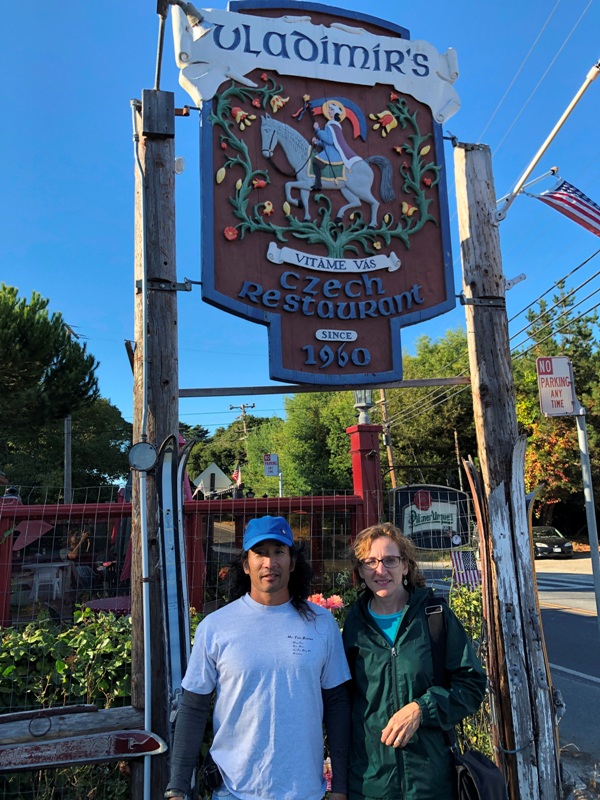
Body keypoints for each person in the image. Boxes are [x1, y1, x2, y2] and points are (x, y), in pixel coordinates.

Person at [165, 515, 351, 800]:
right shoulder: (215, 627)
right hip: (232, 791)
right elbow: (193, 708)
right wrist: (177, 787)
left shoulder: (321, 624)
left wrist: (339, 786)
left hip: (303, 790)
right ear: (245, 564)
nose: (269, 563)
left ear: (292, 560)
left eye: (278, 552)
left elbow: (337, 704)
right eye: (260, 553)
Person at [342, 522, 487, 800]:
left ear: (406, 566)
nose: (380, 570)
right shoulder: (353, 626)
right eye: (370, 561)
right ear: (360, 570)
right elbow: (343, 701)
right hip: (371, 784)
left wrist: (423, 708)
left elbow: (472, 685)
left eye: (390, 560)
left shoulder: (434, 617)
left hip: (430, 784)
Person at [311, 99, 361, 191]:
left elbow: (330, 141)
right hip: (330, 151)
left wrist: (318, 130)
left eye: (331, 110)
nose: (329, 111)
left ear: (335, 113)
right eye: (329, 109)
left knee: (315, 161)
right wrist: (317, 142)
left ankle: (318, 184)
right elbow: (327, 142)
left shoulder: (332, 125)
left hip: (333, 153)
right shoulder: (331, 124)